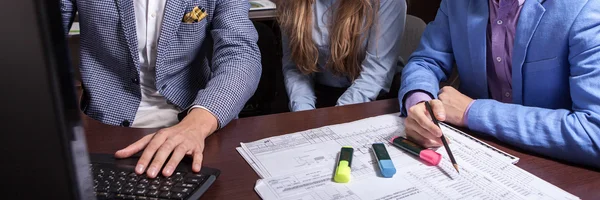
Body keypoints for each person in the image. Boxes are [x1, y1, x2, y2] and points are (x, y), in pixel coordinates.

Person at [60, 0, 261, 177]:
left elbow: (241, 55)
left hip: (197, 121)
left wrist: (197, 124)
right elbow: (39, 41)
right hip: (104, 125)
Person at [399, 0, 600, 168]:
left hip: (552, 167)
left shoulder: (586, 7)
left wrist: (472, 111)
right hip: (472, 154)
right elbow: (425, 61)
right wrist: (419, 101)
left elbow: (594, 132)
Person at [279, 0, 406, 111]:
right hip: (319, 96)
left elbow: (375, 75)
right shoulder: (292, 2)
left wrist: (336, 117)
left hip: (372, 97)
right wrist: (304, 112)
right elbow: (296, 67)